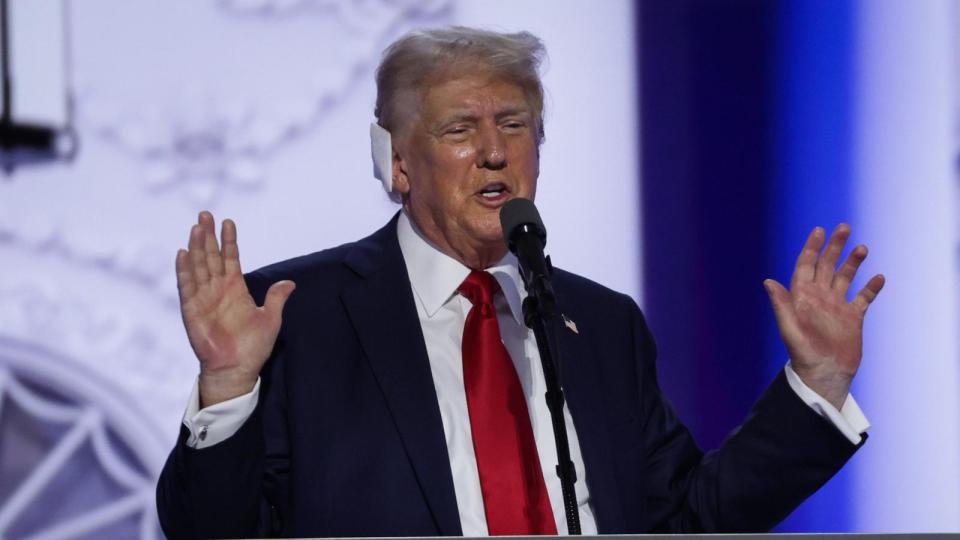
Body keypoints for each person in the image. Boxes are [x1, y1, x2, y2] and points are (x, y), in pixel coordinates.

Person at [156, 27, 885, 538]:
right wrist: (227, 387)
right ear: (398, 164)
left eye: (515, 125)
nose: (495, 153)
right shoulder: (297, 318)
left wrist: (815, 382)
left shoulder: (601, 324)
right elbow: (210, 532)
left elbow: (687, 519)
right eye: (459, 130)